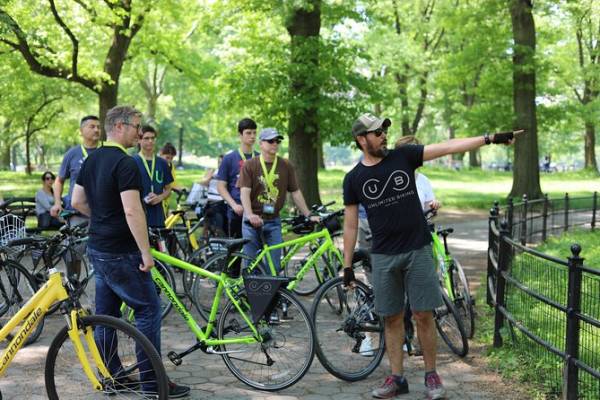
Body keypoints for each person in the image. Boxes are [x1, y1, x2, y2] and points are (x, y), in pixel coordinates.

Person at [342, 113, 517, 400]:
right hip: (383, 256)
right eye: (377, 133)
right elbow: (350, 225)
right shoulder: (353, 179)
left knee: (423, 314)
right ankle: (397, 378)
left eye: (384, 131)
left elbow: (447, 147)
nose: (384, 136)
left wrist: (489, 139)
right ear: (362, 139)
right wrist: (347, 265)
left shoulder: (403, 157)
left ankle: (431, 375)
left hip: (417, 249)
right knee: (391, 318)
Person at [71, 105, 189, 398]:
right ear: (120, 126)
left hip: (98, 247)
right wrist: (146, 253)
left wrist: (103, 218)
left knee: (106, 316)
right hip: (123, 252)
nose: (140, 132)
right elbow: (133, 211)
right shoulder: (127, 163)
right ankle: (153, 384)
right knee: (148, 310)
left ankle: (113, 375)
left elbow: (77, 201)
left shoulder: (92, 158)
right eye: (137, 126)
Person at [239, 128, 315, 272]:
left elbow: (296, 192)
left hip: (273, 221)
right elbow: (244, 193)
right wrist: (249, 214)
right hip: (251, 222)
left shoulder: (286, 165)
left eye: (277, 141)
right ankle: (251, 287)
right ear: (261, 144)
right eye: (270, 141)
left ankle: (269, 287)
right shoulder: (250, 165)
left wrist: (308, 214)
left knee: (274, 267)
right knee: (251, 266)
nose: (275, 144)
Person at [51, 115, 101, 278]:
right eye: (92, 126)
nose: (96, 130)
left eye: (98, 127)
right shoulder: (72, 154)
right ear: (81, 131)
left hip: (101, 213)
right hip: (77, 214)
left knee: (103, 255)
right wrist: (57, 202)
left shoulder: (105, 151)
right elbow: (59, 181)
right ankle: (74, 287)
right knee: (73, 256)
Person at [216, 118, 259, 238]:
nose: (252, 136)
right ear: (240, 135)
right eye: (248, 133)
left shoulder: (260, 158)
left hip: (257, 211)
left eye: (254, 133)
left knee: (258, 247)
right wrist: (234, 205)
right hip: (237, 211)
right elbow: (220, 186)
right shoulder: (229, 158)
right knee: (237, 248)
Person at [133, 126, 173, 228]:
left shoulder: (162, 163)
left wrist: (160, 197)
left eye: (152, 138)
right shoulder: (132, 162)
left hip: (158, 216)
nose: (150, 141)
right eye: (146, 138)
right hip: (138, 214)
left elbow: (168, 189)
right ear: (139, 140)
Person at [198, 154, 227, 236]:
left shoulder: (228, 173)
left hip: (221, 201)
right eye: (219, 162)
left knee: (218, 221)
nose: (220, 164)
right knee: (207, 222)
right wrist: (210, 177)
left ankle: (218, 234)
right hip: (210, 201)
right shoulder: (212, 171)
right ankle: (204, 239)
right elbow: (202, 183)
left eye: (222, 162)